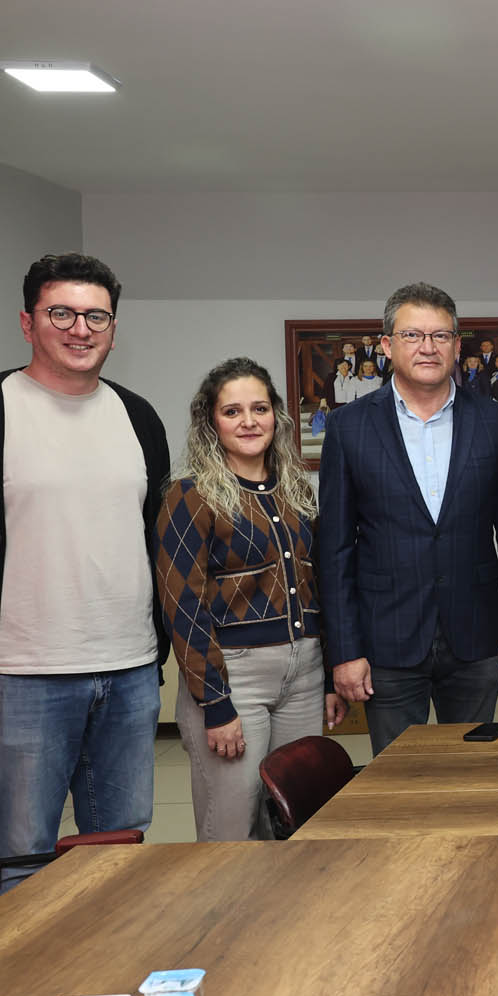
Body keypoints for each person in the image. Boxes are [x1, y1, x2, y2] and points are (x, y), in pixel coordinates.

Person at [0, 253, 168, 889]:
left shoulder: (138, 416)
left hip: (130, 670)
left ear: (114, 328)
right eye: (61, 313)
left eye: (96, 316)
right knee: (23, 852)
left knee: (121, 846)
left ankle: (111, 950)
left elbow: (154, 531)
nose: (80, 329)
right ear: (28, 323)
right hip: (24, 676)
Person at [319, 281, 498, 754]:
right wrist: (344, 651)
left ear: (457, 346)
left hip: (477, 636)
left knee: (473, 772)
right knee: (399, 779)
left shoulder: (494, 422)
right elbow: (334, 550)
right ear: (387, 345)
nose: (428, 347)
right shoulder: (350, 427)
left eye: (440, 335)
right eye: (412, 335)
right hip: (386, 639)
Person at [156, 359, 348, 840]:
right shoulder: (190, 496)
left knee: (298, 821)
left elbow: (319, 588)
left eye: (259, 409)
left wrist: (328, 677)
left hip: (304, 674)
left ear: (276, 416)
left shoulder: (296, 491)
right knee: (234, 830)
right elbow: (183, 606)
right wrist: (216, 704)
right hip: (233, 679)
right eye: (232, 411)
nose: (248, 421)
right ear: (211, 422)